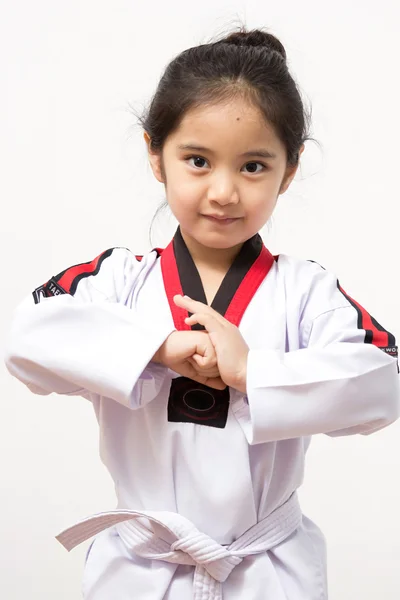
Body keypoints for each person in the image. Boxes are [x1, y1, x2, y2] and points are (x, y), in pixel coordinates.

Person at [4, 26, 400, 600]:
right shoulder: (119, 278)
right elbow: (27, 338)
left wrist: (253, 373)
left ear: (290, 170)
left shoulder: (306, 290)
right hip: (138, 572)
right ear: (155, 156)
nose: (223, 191)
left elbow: (383, 380)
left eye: (253, 167)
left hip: (267, 570)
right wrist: (154, 349)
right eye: (197, 160)